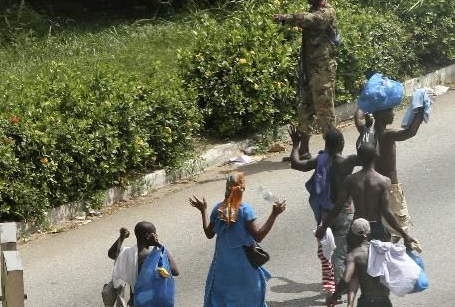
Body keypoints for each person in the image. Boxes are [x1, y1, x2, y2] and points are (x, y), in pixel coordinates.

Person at [189, 172, 287, 307]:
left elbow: (209, 233)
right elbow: (259, 235)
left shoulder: (218, 209)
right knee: (248, 299)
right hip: (244, 265)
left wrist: (203, 210)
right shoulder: (245, 210)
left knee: (223, 298)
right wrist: (274, 214)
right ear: (243, 188)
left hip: (222, 266)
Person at [289, 125, 360, 305]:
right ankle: (338, 292)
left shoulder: (319, 160)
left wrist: (296, 144)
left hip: (324, 213)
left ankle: (336, 288)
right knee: (339, 254)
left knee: (329, 253)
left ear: (326, 144)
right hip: (343, 213)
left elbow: (296, 163)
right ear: (342, 143)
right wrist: (366, 130)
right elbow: (369, 154)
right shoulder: (346, 162)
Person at [273, 0, 339, 159]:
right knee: (306, 109)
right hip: (310, 69)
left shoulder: (327, 12)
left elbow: (310, 20)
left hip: (323, 70)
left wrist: (286, 18)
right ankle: (303, 149)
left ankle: (332, 152)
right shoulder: (314, 9)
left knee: (325, 111)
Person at [316, 143, 417, 249]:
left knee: (355, 260)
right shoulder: (383, 181)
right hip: (376, 228)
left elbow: (338, 206)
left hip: (357, 228)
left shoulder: (351, 180)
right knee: (379, 263)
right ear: (376, 156)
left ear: (359, 158)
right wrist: (404, 234)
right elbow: (387, 212)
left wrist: (324, 227)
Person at [355, 105, 425, 246]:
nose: (393, 114)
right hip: (391, 187)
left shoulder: (367, 132)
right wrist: (422, 111)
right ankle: (385, 248)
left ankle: (381, 246)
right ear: (380, 116)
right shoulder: (389, 135)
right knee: (401, 225)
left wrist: (365, 102)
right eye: (389, 112)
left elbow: (358, 118)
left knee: (382, 220)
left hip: (373, 185)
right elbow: (410, 132)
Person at [107, 222, 180, 306]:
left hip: (134, 302)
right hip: (152, 302)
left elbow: (111, 253)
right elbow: (175, 271)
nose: (156, 236)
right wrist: (159, 244)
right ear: (148, 236)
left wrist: (121, 237)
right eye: (155, 234)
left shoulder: (127, 254)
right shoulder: (152, 257)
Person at [343, 218, 393, 307]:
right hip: (385, 301)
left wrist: (336, 296)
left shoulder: (354, 255)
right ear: (369, 231)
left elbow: (347, 279)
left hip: (366, 301)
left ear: (353, 233)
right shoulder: (382, 249)